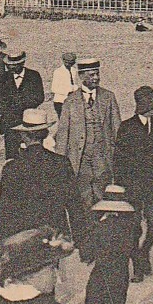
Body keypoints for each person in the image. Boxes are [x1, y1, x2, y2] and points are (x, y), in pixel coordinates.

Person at [113, 86, 153, 281]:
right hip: (132, 188)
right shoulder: (126, 127)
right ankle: (138, 267)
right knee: (132, 229)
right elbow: (119, 160)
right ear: (146, 106)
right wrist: (121, 188)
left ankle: (143, 251)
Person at [56, 56, 121, 231]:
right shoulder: (70, 101)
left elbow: (117, 130)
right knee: (84, 200)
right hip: (80, 161)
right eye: (92, 75)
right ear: (82, 76)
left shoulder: (109, 97)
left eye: (97, 74)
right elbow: (63, 135)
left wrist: (118, 158)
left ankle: (103, 237)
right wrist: (61, 164)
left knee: (103, 198)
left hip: (102, 158)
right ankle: (88, 239)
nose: (96, 78)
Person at [0, 108, 77, 240]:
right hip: (56, 235)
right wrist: (81, 243)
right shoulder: (61, 163)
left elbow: (4, 212)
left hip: (23, 236)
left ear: (23, 135)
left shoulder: (12, 167)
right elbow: (75, 205)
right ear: (46, 134)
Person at [81, 185, 138, 304]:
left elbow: (86, 254)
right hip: (121, 273)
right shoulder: (132, 228)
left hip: (101, 272)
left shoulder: (99, 227)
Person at [0, 50, 46, 159]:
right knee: (12, 156)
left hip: (30, 124)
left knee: (32, 154)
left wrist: (22, 107)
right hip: (10, 124)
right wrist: (3, 113)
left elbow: (39, 97)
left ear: (22, 64)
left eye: (14, 65)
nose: (10, 68)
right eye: (8, 65)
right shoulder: (3, 78)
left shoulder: (34, 76)